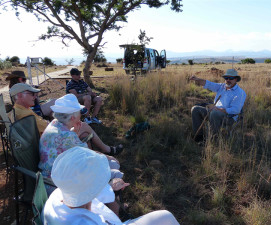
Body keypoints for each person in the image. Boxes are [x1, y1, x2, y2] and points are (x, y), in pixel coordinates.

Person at [43, 146, 180, 225]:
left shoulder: (59, 194)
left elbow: (90, 195)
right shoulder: (84, 222)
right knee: (166, 216)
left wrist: (109, 187)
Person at [38, 94, 123, 195]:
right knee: (115, 168)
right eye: (80, 112)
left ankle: (111, 201)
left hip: (50, 179)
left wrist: (75, 134)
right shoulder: (67, 136)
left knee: (110, 164)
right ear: (73, 117)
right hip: (61, 186)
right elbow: (89, 156)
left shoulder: (54, 124)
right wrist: (108, 157)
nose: (81, 115)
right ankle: (113, 206)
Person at [8, 84, 122, 156]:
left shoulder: (21, 110)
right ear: (19, 96)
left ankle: (94, 155)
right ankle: (105, 151)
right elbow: (48, 129)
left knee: (83, 133)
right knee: (83, 126)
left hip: (47, 140)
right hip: (49, 143)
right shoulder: (25, 114)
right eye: (32, 94)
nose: (35, 97)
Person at [190, 69, 246, 140]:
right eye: (226, 78)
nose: (228, 80)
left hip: (229, 118)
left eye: (231, 78)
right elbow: (208, 84)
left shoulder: (240, 93)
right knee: (195, 109)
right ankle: (199, 137)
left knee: (214, 113)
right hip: (214, 112)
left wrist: (218, 109)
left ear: (236, 79)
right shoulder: (221, 86)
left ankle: (213, 139)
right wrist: (197, 79)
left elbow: (235, 110)